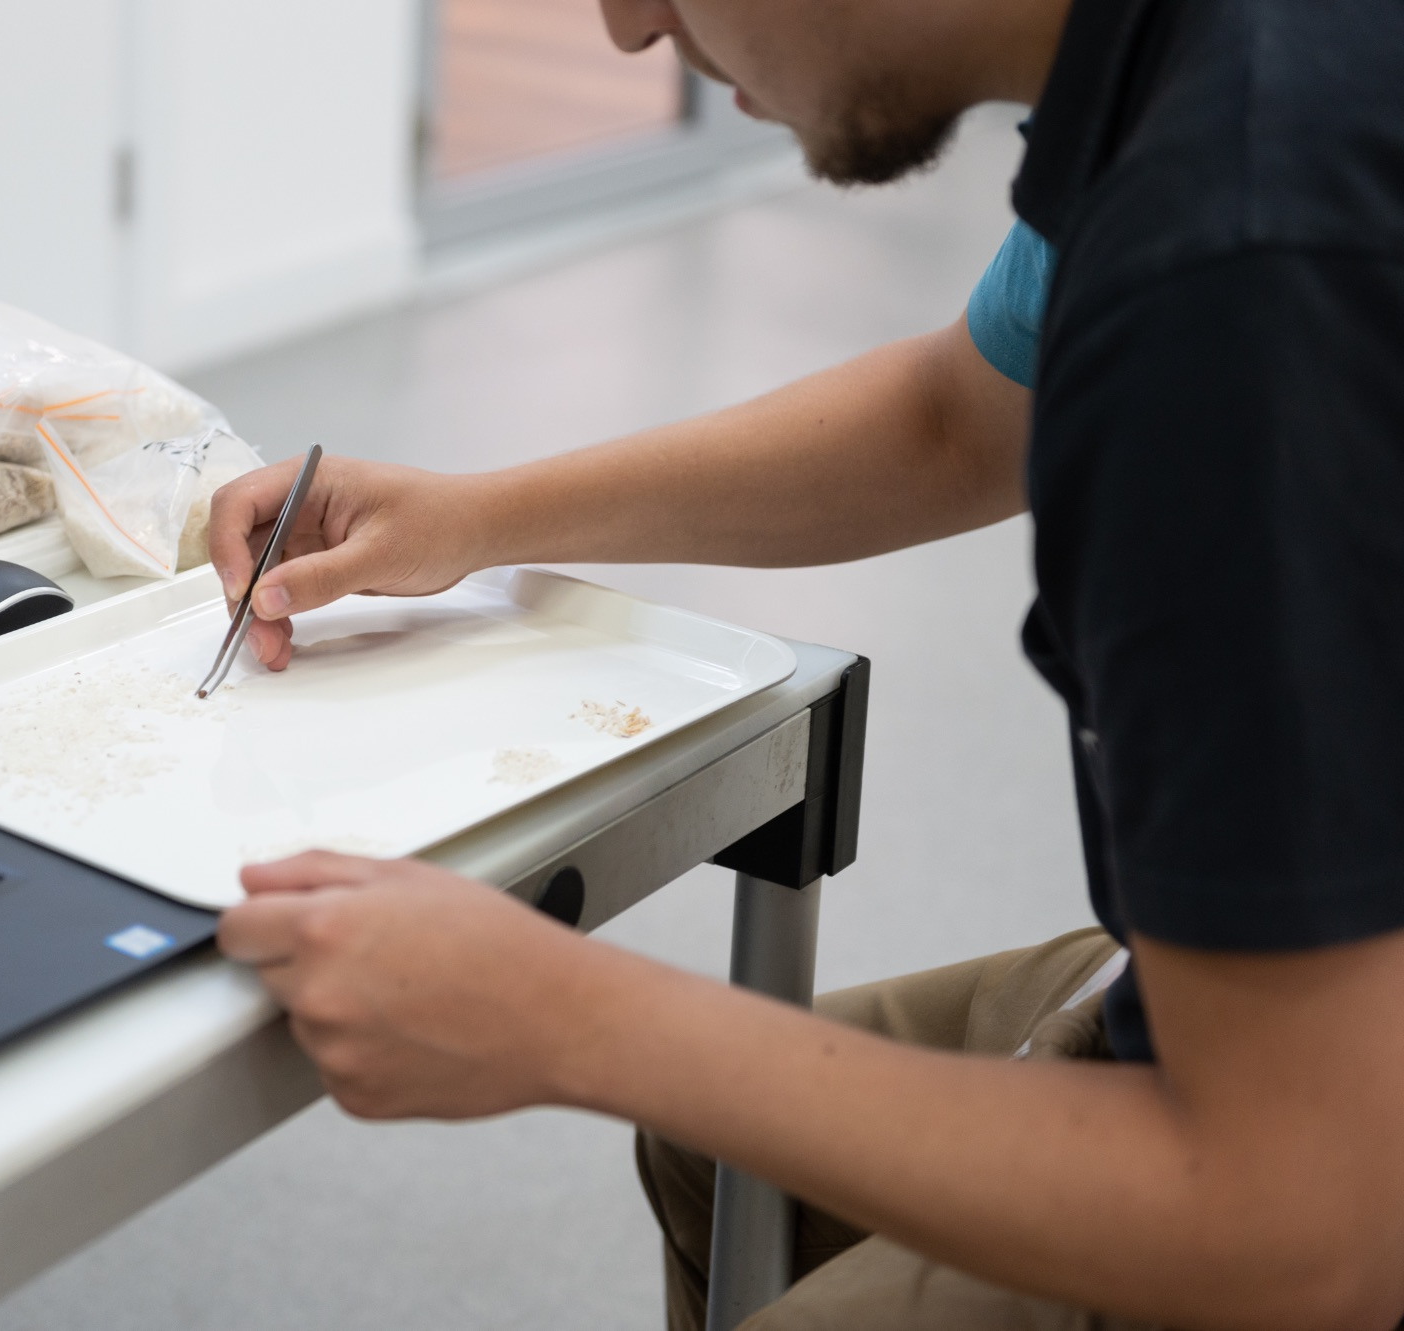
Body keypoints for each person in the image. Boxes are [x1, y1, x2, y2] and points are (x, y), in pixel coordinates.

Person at [209, 0, 1404, 1325]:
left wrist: (566, 1018)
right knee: (723, 1160)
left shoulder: (1234, 275)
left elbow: (1302, 1233)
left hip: (1318, 1171)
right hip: (1276, 1022)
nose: (624, 28)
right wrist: (476, 518)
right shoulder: (1181, 80)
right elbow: (956, 416)